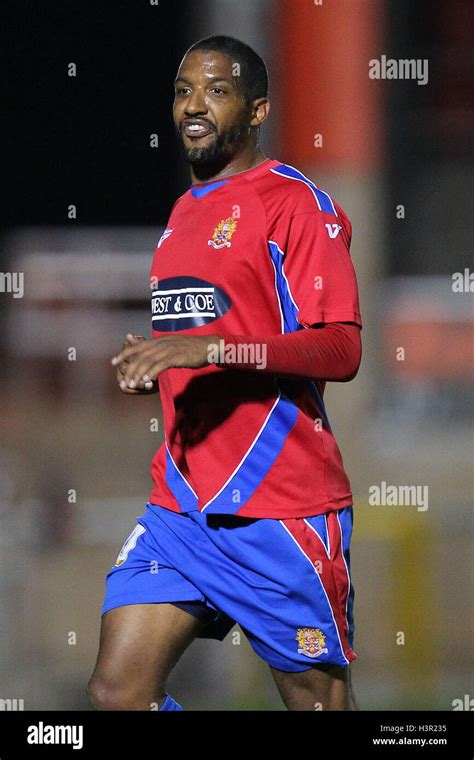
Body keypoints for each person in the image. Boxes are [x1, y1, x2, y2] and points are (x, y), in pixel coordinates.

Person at [88, 35, 362, 712]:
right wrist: (157, 365)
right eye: (183, 90)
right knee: (118, 693)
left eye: (216, 90)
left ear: (258, 108)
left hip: (278, 512)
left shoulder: (295, 204)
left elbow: (340, 350)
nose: (194, 105)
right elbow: (196, 344)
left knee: (319, 705)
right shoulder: (183, 214)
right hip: (181, 507)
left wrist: (211, 351)